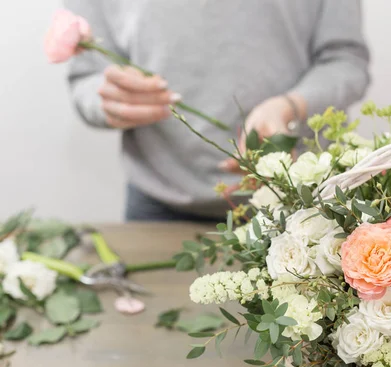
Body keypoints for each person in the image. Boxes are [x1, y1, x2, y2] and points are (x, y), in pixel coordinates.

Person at [65, 0, 370, 222]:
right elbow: (86, 79)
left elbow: (345, 60)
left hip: (297, 200)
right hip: (159, 202)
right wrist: (110, 100)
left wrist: (290, 107)